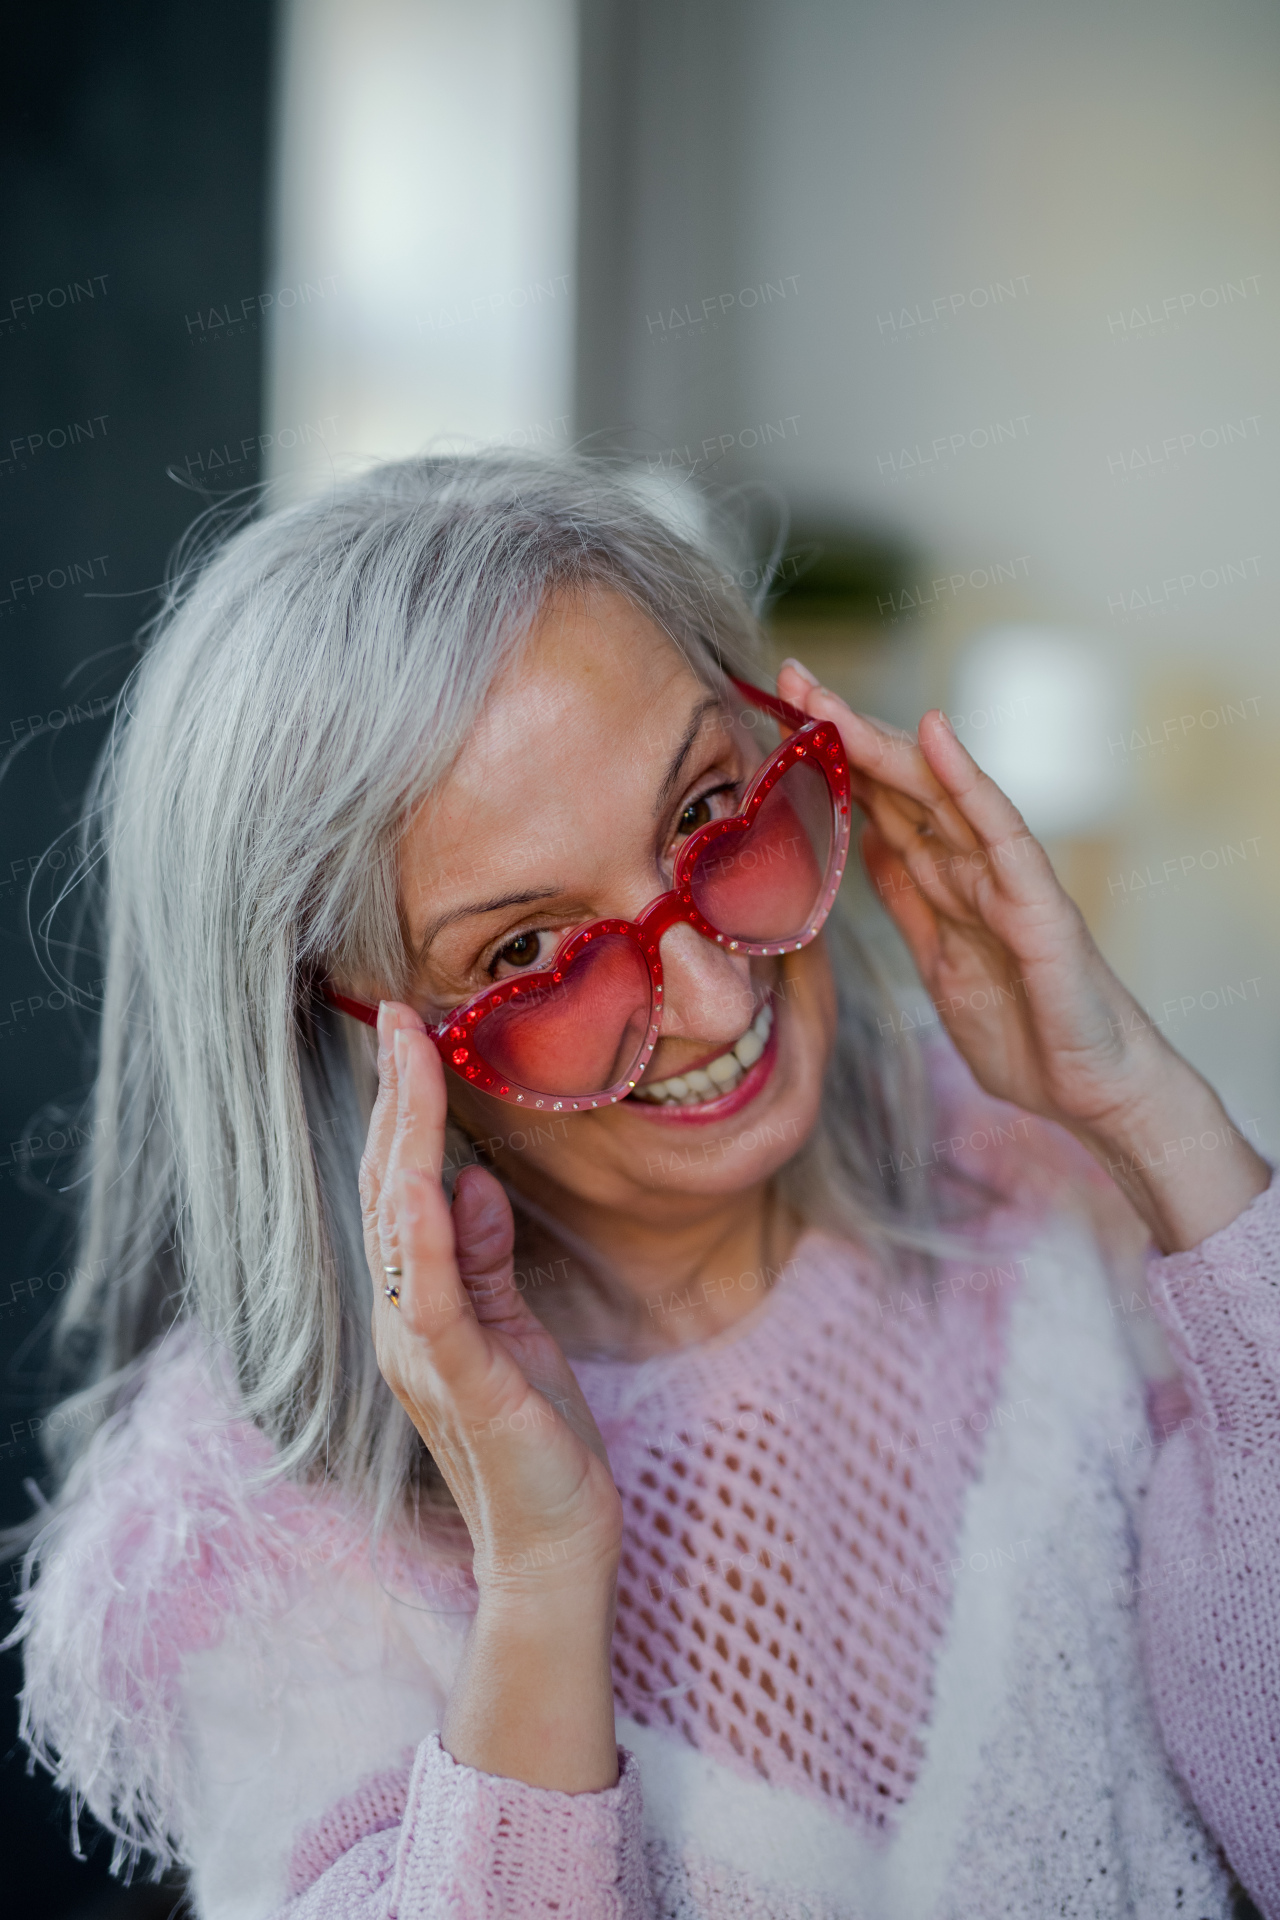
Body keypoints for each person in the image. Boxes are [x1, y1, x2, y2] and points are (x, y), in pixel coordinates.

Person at [10, 454, 1278, 1919]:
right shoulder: (261, 1539)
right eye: (530, 956)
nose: (719, 1000)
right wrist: (545, 1580)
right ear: (344, 1049)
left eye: (705, 816)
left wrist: (1152, 1122)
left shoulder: (1065, 1194)